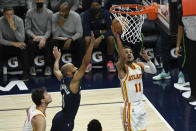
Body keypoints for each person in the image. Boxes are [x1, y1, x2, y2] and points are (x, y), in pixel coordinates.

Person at [112, 26, 157, 131]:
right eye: (126, 52)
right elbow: (122, 57)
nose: (129, 54)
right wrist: (117, 38)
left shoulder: (139, 65)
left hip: (141, 105)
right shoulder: (122, 68)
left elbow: (153, 71)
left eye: (130, 52)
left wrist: (148, 60)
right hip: (129, 107)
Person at [50, 32, 95, 131]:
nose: (76, 68)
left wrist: (57, 58)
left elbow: (56, 70)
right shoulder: (73, 82)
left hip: (58, 116)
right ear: (69, 73)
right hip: (66, 121)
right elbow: (85, 63)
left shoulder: (63, 79)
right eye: (73, 67)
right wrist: (91, 45)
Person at [82, 0, 116, 73]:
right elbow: (86, 31)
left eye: (96, 5)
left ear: (100, 6)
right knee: (86, 39)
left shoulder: (106, 13)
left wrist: (101, 37)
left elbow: (110, 30)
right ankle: (87, 63)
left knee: (111, 38)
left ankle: (110, 62)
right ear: (90, 7)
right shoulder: (86, 14)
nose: (95, 7)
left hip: (103, 37)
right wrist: (100, 32)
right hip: (92, 37)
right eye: (93, 6)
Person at [52, 2, 85, 68]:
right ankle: (55, 66)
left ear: (69, 11)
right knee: (52, 42)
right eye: (60, 11)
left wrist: (71, 39)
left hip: (72, 39)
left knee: (81, 41)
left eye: (64, 11)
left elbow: (80, 33)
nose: (61, 13)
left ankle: (80, 66)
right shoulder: (55, 16)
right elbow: (54, 35)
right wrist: (60, 24)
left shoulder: (76, 16)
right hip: (60, 40)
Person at [25, 0, 53, 76]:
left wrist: (44, 38)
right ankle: (31, 67)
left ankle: (48, 67)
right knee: (30, 44)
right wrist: (34, 36)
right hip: (34, 37)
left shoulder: (49, 13)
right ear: (34, 2)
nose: (39, 2)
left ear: (44, 2)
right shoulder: (29, 13)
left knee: (49, 44)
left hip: (45, 37)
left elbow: (49, 29)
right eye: (37, 1)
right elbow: (27, 29)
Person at [175, 0, 196, 102]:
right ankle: (194, 94)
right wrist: (178, 46)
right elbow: (180, 28)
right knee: (192, 68)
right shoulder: (182, 9)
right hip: (190, 41)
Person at [0, 7, 29, 80]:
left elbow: (22, 39)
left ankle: (26, 73)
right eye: (7, 14)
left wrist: (13, 28)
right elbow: (0, 40)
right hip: (6, 45)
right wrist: (13, 43)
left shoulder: (19, 21)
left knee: (24, 48)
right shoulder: (0, 21)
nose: (9, 16)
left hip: (18, 45)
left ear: (13, 14)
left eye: (11, 14)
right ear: (3, 14)